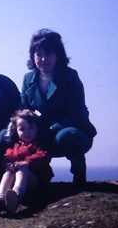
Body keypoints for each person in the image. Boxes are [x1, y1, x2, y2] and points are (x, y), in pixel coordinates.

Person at [19, 29, 97, 187]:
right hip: (42, 133)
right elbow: (24, 109)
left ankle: (79, 179)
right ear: (32, 56)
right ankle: (30, 179)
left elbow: (77, 114)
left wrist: (50, 128)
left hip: (73, 132)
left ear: (57, 55)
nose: (43, 59)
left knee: (66, 135)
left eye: (48, 54)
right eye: (38, 54)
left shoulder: (70, 76)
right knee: (6, 135)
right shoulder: (28, 78)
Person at [0, 109, 53, 216]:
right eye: (22, 129)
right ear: (16, 130)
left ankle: (15, 198)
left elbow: (43, 156)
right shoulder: (16, 145)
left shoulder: (39, 145)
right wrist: (8, 164)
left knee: (22, 171)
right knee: (8, 172)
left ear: (37, 128)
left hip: (36, 180)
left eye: (31, 128)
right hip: (17, 179)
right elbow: (7, 156)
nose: (27, 132)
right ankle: (0, 200)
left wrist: (26, 163)